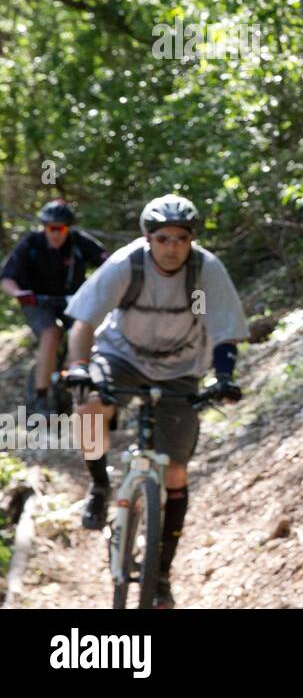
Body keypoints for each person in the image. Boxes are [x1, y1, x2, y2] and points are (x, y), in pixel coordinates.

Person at [62, 194, 249, 608]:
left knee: (176, 474)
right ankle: (98, 486)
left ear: (191, 240)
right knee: (90, 408)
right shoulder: (127, 264)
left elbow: (225, 330)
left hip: (181, 368)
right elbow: (84, 320)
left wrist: (225, 376)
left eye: (181, 239)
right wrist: (78, 365)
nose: (171, 247)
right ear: (148, 239)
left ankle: (161, 575)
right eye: (162, 238)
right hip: (121, 355)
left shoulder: (206, 269)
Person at [1, 199, 109, 421]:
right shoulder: (30, 244)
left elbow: (108, 263)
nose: (56, 233)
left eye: (61, 228)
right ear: (44, 227)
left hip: (72, 302)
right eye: (51, 228)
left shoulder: (79, 243)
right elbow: (7, 277)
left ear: (68, 228)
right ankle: (40, 398)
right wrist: (18, 294)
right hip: (37, 302)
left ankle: (80, 390)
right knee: (51, 333)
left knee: (85, 332)